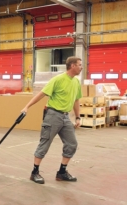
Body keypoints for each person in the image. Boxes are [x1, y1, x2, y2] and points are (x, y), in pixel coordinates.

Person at [21, 56, 83, 184]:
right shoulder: (58, 79)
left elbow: (76, 100)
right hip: (53, 115)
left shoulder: (76, 82)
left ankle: (61, 172)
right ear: (72, 66)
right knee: (45, 144)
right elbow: (41, 94)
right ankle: (35, 172)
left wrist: (77, 117)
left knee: (72, 144)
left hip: (66, 117)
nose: (81, 67)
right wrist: (26, 107)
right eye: (79, 65)